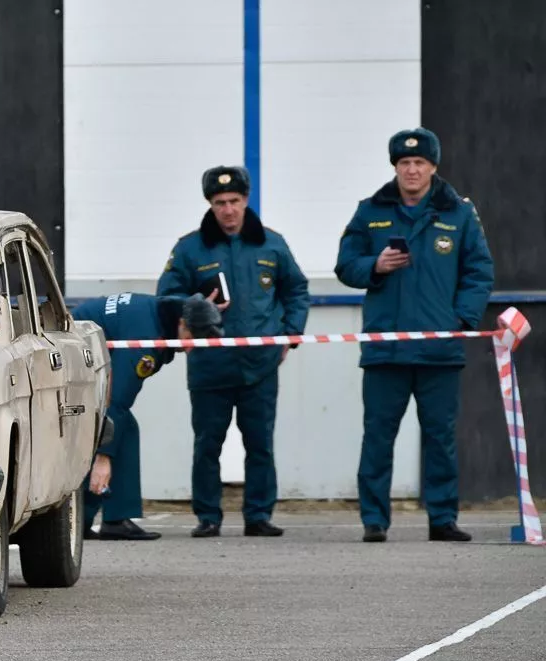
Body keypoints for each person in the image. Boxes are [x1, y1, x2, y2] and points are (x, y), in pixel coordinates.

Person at [334, 127, 494, 543]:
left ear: (433, 166)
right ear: (395, 167)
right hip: (386, 350)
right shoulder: (370, 211)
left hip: (439, 351)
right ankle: (374, 520)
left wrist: (461, 321)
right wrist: (375, 266)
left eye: (419, 162)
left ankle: (442, 519)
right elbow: (345, 265)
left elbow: (479, 272)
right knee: (378, 437)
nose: (411, 170)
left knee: (440, 439)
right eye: (404, 163)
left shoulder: (458, 214)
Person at [158, 166, 310, 538]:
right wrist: (197, 305)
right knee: (207, 444)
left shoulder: (272, 244)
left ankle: (258, 515)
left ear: (246, 200)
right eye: (219, 202)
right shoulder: (189, 248)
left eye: (234, 201)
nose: (228, 209)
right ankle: (208, 517)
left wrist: (290, 336)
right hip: (210, 365)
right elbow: (167, 296)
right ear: (210, 204)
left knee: (260, 444)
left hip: (260, 364)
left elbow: (296, 290)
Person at [72, 293, 224, 540]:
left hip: (78, 350)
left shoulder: (166, 310)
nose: (191, 347)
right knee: (115, 428)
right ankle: (95, 520)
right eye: (192, 337)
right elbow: (117, 400)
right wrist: (103, 458)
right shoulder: (145, 340)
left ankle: (97, 519)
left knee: (123, 428)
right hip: (71, 358)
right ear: (181, 323)